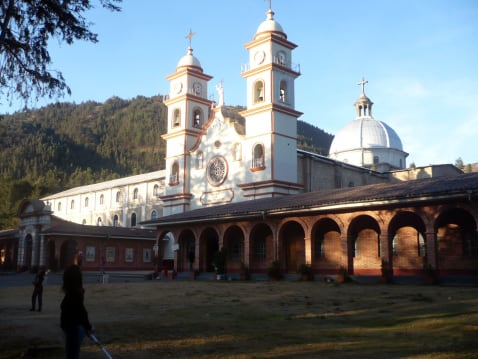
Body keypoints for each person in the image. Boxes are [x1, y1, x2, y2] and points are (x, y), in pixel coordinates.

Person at [61, 265, 93, 359]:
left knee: (72, 355)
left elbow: (81, 311)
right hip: (72, 329)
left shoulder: (74, 294)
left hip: (73, 329)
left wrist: (88, 327)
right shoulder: (72, 293)